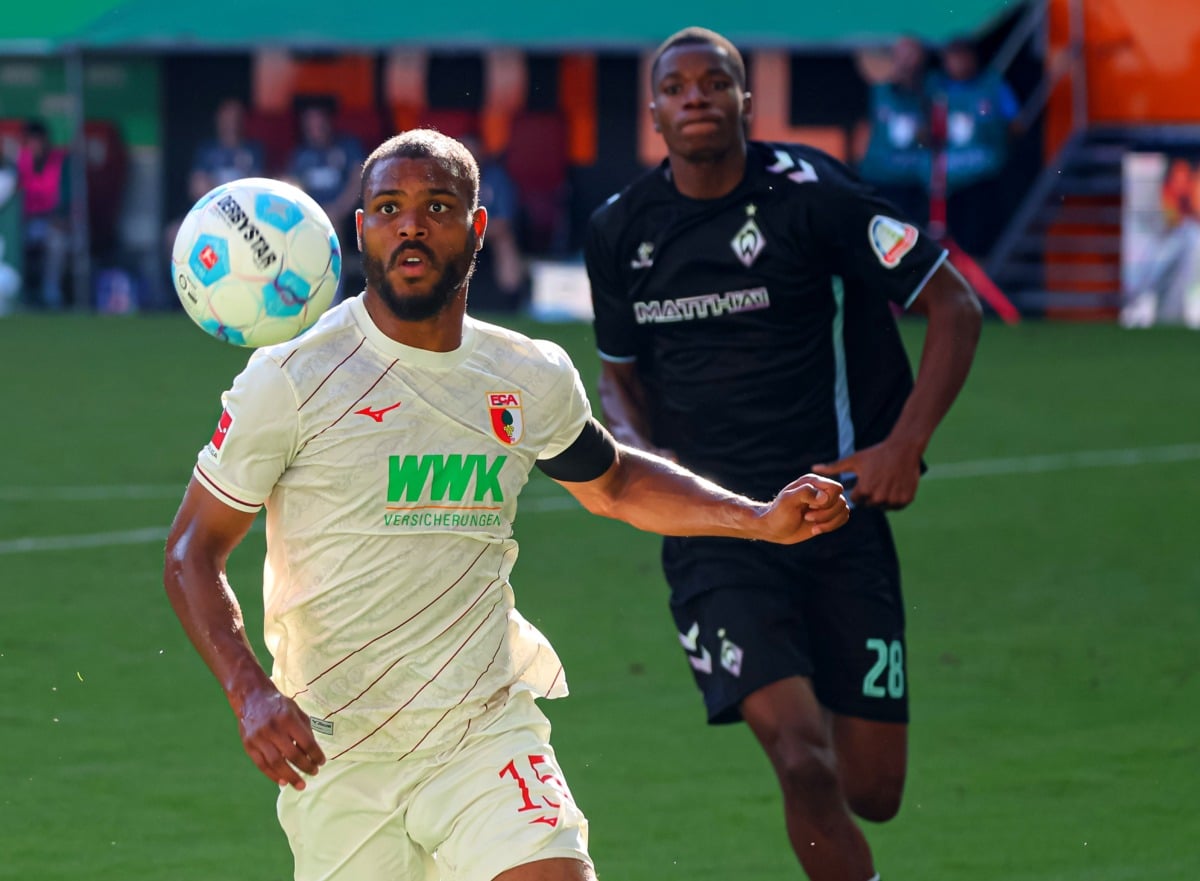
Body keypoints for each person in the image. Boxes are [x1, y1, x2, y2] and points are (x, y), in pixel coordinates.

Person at [163, 128, 851, 881]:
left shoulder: (527, 373)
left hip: (482, 727)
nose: (411, 225)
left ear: (478, 226)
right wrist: (250, 693)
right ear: (360, 230)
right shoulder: (291, 378)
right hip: (337, 745)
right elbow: (192, 552)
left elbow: (615, 481)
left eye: (437, 206)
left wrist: (755, 517)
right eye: (389, 208)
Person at [584, 27, 983, 881]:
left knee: (873, 788)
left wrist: (902, 445)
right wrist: (637, 448)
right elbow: (618, 372)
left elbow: (955, 303)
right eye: (676, 87)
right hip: (717, 532)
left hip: (837, 514)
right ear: (653, 114)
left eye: (714, 81)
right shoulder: (619, 230)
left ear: (747, 100)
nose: (695, 96)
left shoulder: (817, 197)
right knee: (801, 760)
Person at [927, 38, 1022, 258]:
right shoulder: (935, 88)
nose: (958, 62)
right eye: (952, 57)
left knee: (983, 239)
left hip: (985, 178)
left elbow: (1016, 125)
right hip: (948, 182)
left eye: (963, 55)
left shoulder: (992, 85)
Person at [854, 35, 933, 226]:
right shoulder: (877, 91)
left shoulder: (932, 92)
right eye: (901, 54)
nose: (906, 61)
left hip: (916, 183)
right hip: (879, 180)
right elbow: (861, 130)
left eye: (912, 55)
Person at [460, 132, 529, 313]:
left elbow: (504, 220)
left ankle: (510, 299)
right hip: (454, 231)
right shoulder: (445, 179)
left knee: (505, 239)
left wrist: (473, 229)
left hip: (486, 231)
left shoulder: (496, 178)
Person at [15, 119, 70, 310]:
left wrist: (61, 218)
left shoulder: (60, 161)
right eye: (29, 140)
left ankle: (50, 292)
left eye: (37, 140)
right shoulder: (19, 161)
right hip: (24, 223)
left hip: (52, 221)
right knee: (12, 241)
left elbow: (69, 198)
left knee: (57, 241)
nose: (34, 145)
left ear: (45, 140)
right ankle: (17, 292)